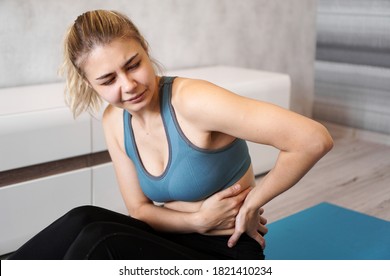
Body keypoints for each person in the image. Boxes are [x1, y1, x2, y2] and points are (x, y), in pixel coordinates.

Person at [9, 10, 333, 260]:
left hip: (227, 252)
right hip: (174, 238)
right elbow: (139, 210)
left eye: (133, 64)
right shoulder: (113, 121)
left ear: (145, 50)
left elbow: (312, 139)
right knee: (82, 219)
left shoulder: (193, 101)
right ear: (89, 84)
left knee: (100, 243)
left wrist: (251, 205)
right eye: (108, 80)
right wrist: (198, 219)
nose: (128, 85)